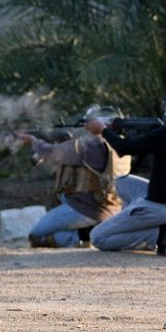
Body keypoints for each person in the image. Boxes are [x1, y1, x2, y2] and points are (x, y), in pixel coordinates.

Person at [86, 89, 166, 256]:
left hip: (162, 207)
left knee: (97, 237)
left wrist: (103, 130)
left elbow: (124, 148)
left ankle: (159, 235)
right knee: (122, 181)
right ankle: (142, 220)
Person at [17, 106, 132, 248]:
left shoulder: (89, 146)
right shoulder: (122, 145)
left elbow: (51, 153)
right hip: (113, 208)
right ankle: (89, 232)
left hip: (87, 208)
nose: (86, 127)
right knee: (65, 198)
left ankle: (81, 239)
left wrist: (33, 141)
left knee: (36, 235)